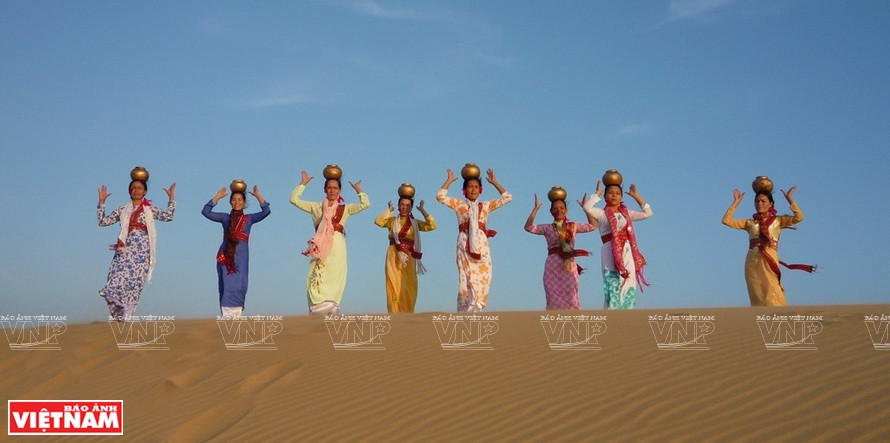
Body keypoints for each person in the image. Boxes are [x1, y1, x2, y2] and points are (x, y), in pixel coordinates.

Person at [291, 168, 370, 315]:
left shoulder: (345, 209)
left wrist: (359, 191)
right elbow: (293, 200)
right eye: (329, 188)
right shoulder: (316, 207)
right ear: (324, 190)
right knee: (315, 275)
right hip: (320, 248)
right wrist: (303, 184)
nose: (332, 191)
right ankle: (317, 308)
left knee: (335, 276)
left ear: (339, 191)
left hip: (338, 247)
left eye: (335, 188)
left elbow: (365, 204)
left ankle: (333, 308)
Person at [97, 177, 175, 321]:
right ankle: (117, 311)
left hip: (143, 250)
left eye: (140, 188)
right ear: (129, 191)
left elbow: (168, 216)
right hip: (125, 249)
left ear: (145, 191)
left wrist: (171, 199)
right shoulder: (122, 209)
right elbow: (103, 222)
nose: (136, 190)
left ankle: (126, 318)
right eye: (134, 187)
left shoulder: (150, 209)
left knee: (135, 284)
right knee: (116, 279)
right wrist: (102, 202)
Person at [722, 186, 812, 306]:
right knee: (756, 290)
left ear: (771, 204)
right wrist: (736, 202)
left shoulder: (778, 221)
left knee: (771, 288)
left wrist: (790, 199)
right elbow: (726, 221)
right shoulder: (749, 223)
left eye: (763, 201)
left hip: (770, 257)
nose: (759, 203)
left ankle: (777, 315)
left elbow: (799, 217)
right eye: (757, 201)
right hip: (752, 260)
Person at [437, 166, 511, 312]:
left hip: (482, 243)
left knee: (485, 275)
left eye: (476, 187)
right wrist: (449, 180)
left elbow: (507, 198)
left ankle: (478, 306)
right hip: (465, 242)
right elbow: (440, 196)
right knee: (467, 276)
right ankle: (466, 308)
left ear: (480, 189)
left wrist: (495, 182)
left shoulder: (486, 206)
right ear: (464, 190)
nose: (473, 189)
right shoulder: (459, 205)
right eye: (470, 187)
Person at [202, 184, 271, 319]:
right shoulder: (225, 218)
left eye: (240, 200)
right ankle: (226, 316)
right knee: (226, 284)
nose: (237, 202)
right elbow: (206, 212)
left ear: (244, 202)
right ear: (230, 202)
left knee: (240, 284)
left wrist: (258, 196)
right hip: (226, 256)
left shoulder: (249, 219)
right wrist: (217, 197)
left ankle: (237, 315)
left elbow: (266, 212)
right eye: (234, 199)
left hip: (241, 256)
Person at [582, 180, 652, 310]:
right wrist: (596, 194)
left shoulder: (627, 214)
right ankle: (612, 311)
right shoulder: (601, 213)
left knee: (629, 278)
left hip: (626, 249)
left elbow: (648, 213)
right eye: (610, 193)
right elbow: (587, 208)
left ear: (621, 197)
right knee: (611, 278)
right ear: (605, 196)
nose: (614, 195)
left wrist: (636, 196)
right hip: (609, 249)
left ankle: (628, 310)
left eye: (617, 193)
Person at [525, 190, 596, 310]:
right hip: (553, 264)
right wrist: (536, 208)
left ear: (566, 210)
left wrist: (586, 209)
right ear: (551, 211)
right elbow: (529, 227)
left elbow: (593, 226)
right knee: (553, 294)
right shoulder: (547, 228)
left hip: (569, 263)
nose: (558, 210)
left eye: (562, 208)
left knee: (571, 292)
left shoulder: (573, 226)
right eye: (555, 208)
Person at [374, 192, 437, 314]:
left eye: (408, 205)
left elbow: (432, 225)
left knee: (409, 285)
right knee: (393, 284)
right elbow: (378, 221)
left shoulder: (415, 223)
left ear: (411, 208)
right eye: (402, 205)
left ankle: (408, 313)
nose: (404, 207)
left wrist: (423, 211)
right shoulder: (392, 221)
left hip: (409, 256)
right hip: (394, 255)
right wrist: (389, 210)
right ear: (398, 206)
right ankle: (394, 312)